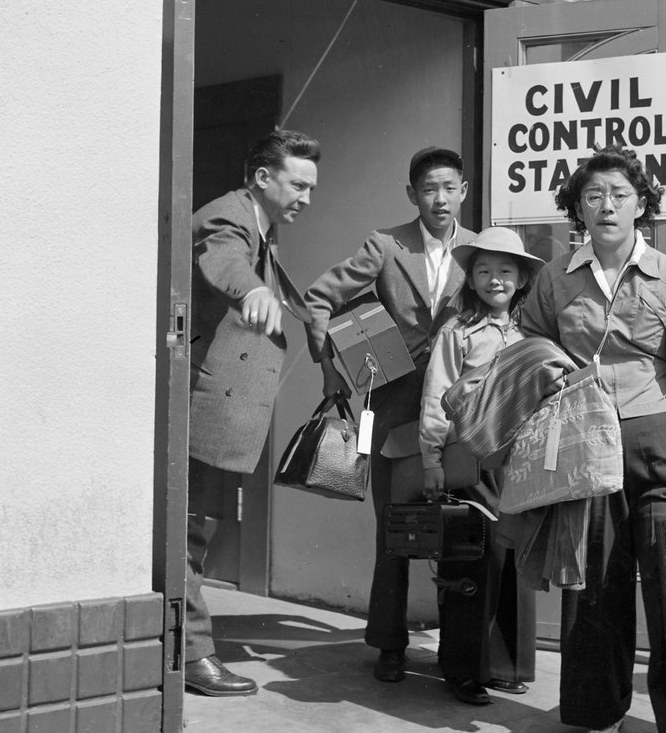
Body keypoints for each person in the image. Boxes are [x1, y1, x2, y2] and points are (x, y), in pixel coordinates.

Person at [520, 145, 666, 733]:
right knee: (597, 585)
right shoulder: (557, 279)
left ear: (641, 203)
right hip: (586, 442)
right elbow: (528, 343)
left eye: (619, 193)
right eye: (593, 195)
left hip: (658, 442)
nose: (606, 204)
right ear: (577, 209)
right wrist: (543, 376)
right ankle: (600, 705)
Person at [304, 147, 477, 684]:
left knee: (461, 522)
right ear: (412, 195)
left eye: (449, 187)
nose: (440, 198)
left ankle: (462, 655)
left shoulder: (479, 249)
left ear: (463, 191)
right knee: (393, 526)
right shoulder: (385, 245)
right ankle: (389, 645)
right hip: (388, 403)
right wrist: (329, 370)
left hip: (457, 408)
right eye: (429, 189)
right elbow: (318, 298)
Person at [185, 130, 321, 696]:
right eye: (298, 184)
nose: (307, 198)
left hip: (220, 410)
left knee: (197, 531)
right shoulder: (230, 217)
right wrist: (250, 292)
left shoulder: (263, 229)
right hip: (199, 407)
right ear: (263, 177)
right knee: (187, 531)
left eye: (312, 188)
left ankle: (182, 649)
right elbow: (225, 258)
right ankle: (191, 656)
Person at [418, 227, 542, 705]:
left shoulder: (532, 331)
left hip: (520, 463)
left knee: (514, 559)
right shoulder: (457, 333)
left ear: (521, 279)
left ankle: (509, 666)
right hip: (470, 460)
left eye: (505, 271)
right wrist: (432, 460)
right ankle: (462, 670)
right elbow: (435, 398)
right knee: (473, 561)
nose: (495, 279)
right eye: (484, 271)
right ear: (471, 278)